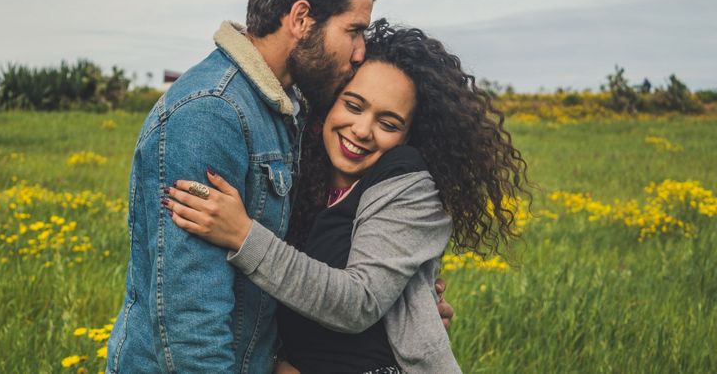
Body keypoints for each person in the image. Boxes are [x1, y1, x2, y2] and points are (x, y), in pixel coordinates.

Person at [106, 0, 452, 373]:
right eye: (354, 31)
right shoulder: (212, 114)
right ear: (301, 18)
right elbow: (189, 322)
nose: (361, 51)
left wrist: (409, 311)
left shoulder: (285, 109)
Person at [164, 20, 530, 373]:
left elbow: (357, 303)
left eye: (388, 124)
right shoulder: (301, 176)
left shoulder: (408, 182)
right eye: (353, 105)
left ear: (408, 136)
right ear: (328, 105)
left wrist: (242, 235)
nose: (362, 130)